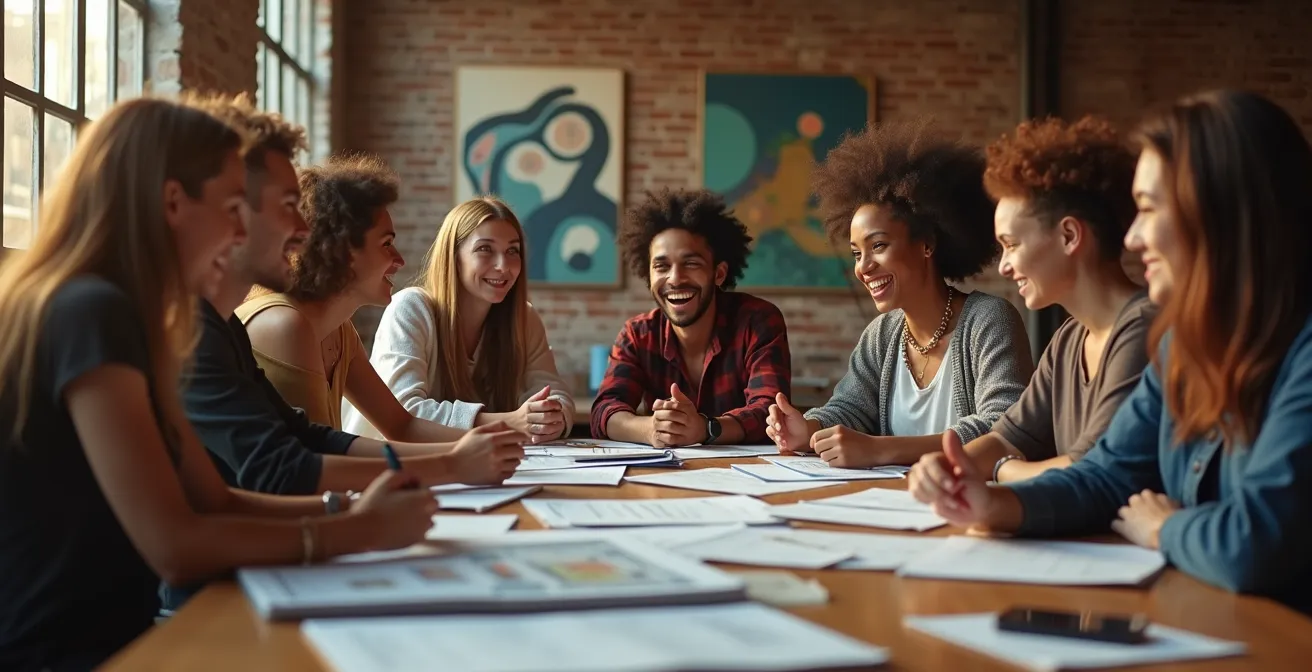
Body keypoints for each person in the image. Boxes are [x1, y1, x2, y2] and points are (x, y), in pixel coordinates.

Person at [0, 97, 436, 672]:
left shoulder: (144, 315)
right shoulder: (89, 311)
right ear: (173, 203)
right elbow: (177, 547)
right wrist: (353, 532)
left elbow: (212, 499)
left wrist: (342, 513)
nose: (239, 229)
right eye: (233, 206)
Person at [912, 90, 1312, 614]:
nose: (1135, 236)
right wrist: (994, 503)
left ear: (1220, 213)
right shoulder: (1180, 346)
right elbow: (1107, 475)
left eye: (1148, 209)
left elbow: (1255, 544)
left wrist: (1166, 527)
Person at [183, 96, 524, 498]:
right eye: (386, 244)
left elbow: (321, 439)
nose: (300, 228)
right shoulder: (272, 324)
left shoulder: (242, 327)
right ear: (341, 249)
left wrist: (462, 456)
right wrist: (451, 463)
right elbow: (292, 471)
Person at [767, 122, 1033, 467]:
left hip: (963, 509)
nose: (863, 267)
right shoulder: (882, 334)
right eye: (856, 253)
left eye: (878, 246)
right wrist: (809, 428)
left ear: (927, 244)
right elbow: (851, 408)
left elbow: (1003, 428)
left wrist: (880, 449)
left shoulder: (989, 320)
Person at [908, 117, 1154, 487]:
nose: (1004, 267)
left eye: (1012, 244)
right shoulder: (1069, 340)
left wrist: (1001, 469)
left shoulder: (1145, 329)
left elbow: (1091, 470)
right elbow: (1006, 438)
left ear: (1069, 235)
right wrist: (947, 467)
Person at [237, 153, 465, 445]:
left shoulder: (339, 330)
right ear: (342, 251)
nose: (400, 260)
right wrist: (459, 459)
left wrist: (494, 442)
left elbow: (402, 427)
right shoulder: (285, 324)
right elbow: (320, 457)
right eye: (387, 244)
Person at [342, 196, 575, 444]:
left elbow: (554, 391)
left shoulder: (524, 318)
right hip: (387, 469)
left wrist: (553, 415)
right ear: (453, 256)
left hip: (474, 468)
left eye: (512, 251)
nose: (503, 266)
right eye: (485, 249)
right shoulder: (410, 309)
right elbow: (404, 413)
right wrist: (508, 422)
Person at [591, 188, 791, 447]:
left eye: (691, 263)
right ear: (648, 276)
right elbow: (604, 410)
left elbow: (770, 411)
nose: (675, 279)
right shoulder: (637, 334)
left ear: (718, 274)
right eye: (661, 266)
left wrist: (706, 428)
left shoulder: (758, 321)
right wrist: (651, 429)